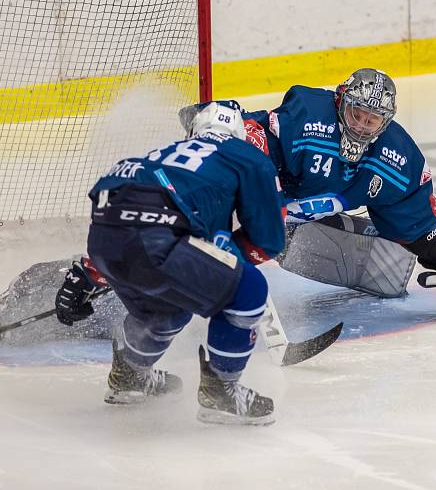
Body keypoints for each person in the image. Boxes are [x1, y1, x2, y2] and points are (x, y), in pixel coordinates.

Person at [54, 101, 286, 425]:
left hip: (103, 238)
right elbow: (270, 240)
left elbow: (126, 211)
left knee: (169, 306)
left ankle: (130, 377)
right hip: (155, 242)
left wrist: (88, 274)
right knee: (249, 288)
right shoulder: (246, 156)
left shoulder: (165, 153)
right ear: (239, 135)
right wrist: (228, 260)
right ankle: (222, 391)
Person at [239, 68, 436, 313]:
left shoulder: (394, 158)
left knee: (388, 270)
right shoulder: (308, 120)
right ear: (340, 102)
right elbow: (250, 142)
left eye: (371, 121)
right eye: (356, 114)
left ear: (385, 123)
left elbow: (417, 226)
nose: (360, 126)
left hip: (289, 229)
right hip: (240, 204)